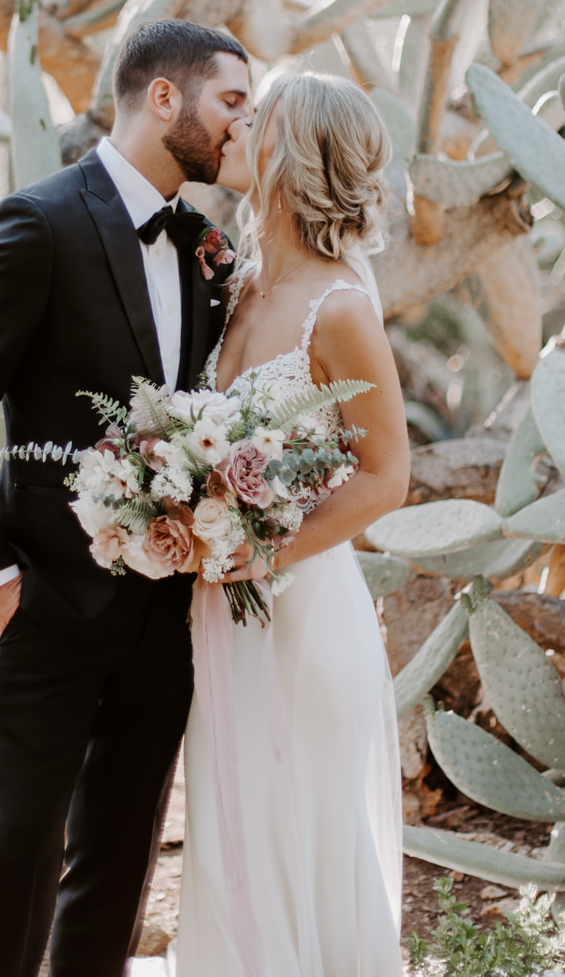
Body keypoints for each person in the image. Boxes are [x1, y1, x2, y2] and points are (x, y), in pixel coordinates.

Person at [0, 18, 253, 977]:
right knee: (16, 857)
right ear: (164, 97)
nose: (243, 125)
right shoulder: (38, 222)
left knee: (120, 864)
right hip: (45, 607)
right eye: (232, 101)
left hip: (162, 616)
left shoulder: (203, 249)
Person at [170, 71, 410, 976]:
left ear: (286, 149)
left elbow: (387, 475)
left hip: (305, 616)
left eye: (250, 114)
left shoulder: (338, 306)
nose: (230, 124)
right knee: (232, 837)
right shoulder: (238, 281)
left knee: (299, 838)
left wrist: (249, 547)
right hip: (224, 614)